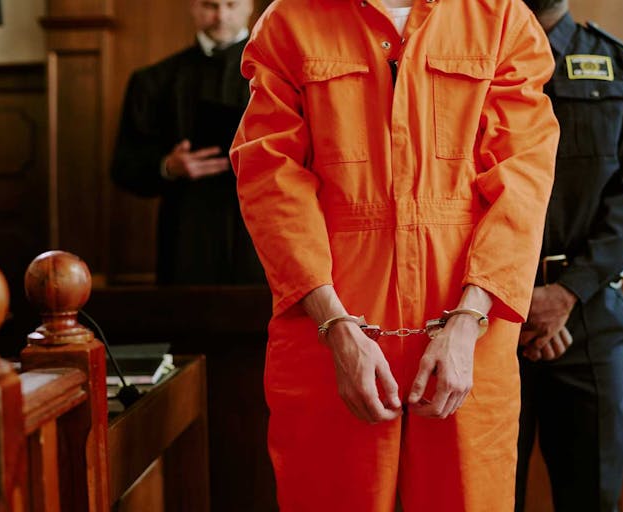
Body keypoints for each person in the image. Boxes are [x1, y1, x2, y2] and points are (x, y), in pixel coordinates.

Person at [230, 0, 560, 510]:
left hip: (467, 333)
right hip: (329, 328)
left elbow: (523, 183)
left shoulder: (500, 17)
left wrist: (468, 322)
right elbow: (270, 181)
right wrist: (335, 327)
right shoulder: (290, 20)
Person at [514, 1, 623, 511]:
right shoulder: (467, 63)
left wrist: (566, 292)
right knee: (482, 499)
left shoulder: (620, 66)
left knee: (593, 501)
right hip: (483, 320)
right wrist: (513, 299)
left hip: (589, 321)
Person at [111, 0, 265, 285]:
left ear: (250, 6)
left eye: (231, 4)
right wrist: (167, 166)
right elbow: (124, 166)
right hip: (187, 235)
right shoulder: (153, 81)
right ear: (193, 6)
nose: (221, 16)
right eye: (210, 5)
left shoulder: (279, 76)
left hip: (263, 235)